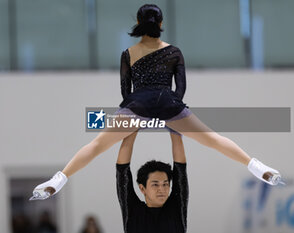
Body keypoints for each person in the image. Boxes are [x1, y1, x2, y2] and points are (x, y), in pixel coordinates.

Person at [30, 4, 282, 201]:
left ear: (139, 23)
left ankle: (58, 180)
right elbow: (181, 88)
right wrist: (173, 113)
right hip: (168, 101)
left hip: (137, 103)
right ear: (161, 23)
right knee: (213, 139)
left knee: (97, 145)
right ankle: (259, 168)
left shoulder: (128, 53)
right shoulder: (174, 51)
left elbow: (125, 89)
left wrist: (132, 113)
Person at [116, 131, 188, 233]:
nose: (161, 189)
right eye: (155, 184)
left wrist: (174, 123)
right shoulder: (134, 211)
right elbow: (122, 170)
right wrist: (133, 126)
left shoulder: (176, 209)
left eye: (165, 184)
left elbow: (180, 168)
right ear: (142, 188)